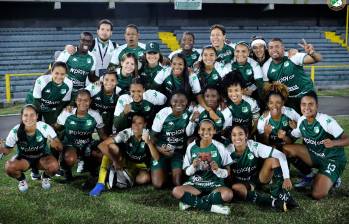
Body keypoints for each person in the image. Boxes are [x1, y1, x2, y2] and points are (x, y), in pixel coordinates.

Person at [283, 91, 349, 200]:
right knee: (286, 149)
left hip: (332, 159)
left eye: (311, 104)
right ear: (300, 106)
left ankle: (333, 177)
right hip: (314, 155)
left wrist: (334, 143)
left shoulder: (326, 121)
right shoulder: (301, 120)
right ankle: (309, 175)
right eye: (303, 104)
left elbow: (347, 138)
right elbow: (293, 137)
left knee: (317, 194)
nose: (307, 107)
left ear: (317, 106)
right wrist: (288, 133)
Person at [228, 124, 297, 211]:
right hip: (242, 184)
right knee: (237, 188)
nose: (237, 137)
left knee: (273, 159)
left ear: (246, 135)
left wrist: (287, 178)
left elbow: (280, 155)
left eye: (240, 134)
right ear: (230, 137)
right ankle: (273, 202)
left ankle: (279, 193)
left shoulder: (254, 146)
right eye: (234, 135)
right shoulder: (227, 151)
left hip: (258, 179)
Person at [172, 119, 233, 215]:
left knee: (228, 194)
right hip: (196, 183)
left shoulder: (220, 147)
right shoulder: (191, 147)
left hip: (214, 184)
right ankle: (213, 207)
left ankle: (192, 201)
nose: (206, 132)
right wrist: (193, 166)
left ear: (214, 131)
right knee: (176, 191)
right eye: (203, 129)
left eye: (209, 129)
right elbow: (187, 172)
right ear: (199, 131)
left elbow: (228, 172)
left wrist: (218, 170)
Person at [89, 114, 160, 196]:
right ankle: (100, 183)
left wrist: (148, 142)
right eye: (134, 123)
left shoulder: (149, 135)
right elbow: (102, 145)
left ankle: (118, 178)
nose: (136, 126)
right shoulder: (126, 133)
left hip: (140, 166)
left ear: (145, 124)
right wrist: (115, 161)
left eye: (140, 123)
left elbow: (156, 158)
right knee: (111, 147)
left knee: (144, 178)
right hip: (125, 162)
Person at [0, 104, 62, 192]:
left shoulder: (44, 127)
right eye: (25, 115)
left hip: (42, 157)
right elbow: (7, 150)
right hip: (24, 159)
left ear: (37, 116)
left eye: (32, 115)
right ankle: (22, 180)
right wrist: (1, 148)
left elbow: (60, 147)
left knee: (54, 166)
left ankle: (45, 177)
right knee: (9, 167)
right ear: (22, 116)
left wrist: (56, 144)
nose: (29, 118)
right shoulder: (15, 131)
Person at [54, 89, 107, 184]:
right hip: (70, 145)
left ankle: (93, 174)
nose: (82, 103)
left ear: (90, 101)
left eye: (86, 100)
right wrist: (55, 141)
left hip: (87, 145)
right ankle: (67, 174)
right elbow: (55, 127)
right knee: (69, 158)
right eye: (79, 100)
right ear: (75, 100)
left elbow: (102, 136)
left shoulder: (95, 115)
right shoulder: (67, 113)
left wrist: (111, 146)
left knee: (100, 153)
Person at [262, 38, 322, 113]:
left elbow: (318, 59)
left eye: (277, 46)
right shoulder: (266, 67)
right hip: (289, 99)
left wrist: (312, 52)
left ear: (283, 48)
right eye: (271, 47)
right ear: (268, 50)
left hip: (306, 92)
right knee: (293, 122)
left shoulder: (293, 56)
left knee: (309, 118)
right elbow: (267, 88)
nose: (274, 49)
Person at [150, 92, 191, 188]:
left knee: (177, 182)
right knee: (158, 184)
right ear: (170, 102)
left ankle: (173, 172)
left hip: (177, 152)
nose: (179, 104)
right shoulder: (163, 114)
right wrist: (160, 148)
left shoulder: (189, 113)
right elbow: (152, 137)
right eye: (175, 101)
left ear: (186, 102)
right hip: (161, 151)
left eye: (182, 101)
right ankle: (163, 171)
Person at [26, 62, 73, 126]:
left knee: (53, 126)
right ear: (51, 72)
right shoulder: (41, 80)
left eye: (62, 74)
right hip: (35, 100)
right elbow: (36, 101)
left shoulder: (69, 83)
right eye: (56, 73)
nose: (59, 77)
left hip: (52, 105)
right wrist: (37, 120)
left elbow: (63, 103)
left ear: (66, 74)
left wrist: (55, 116)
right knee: (34, 124)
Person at [257, 82, 300, 149]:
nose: (274, 106)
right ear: (268, 104)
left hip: (288, 148)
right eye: (271, 103)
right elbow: (264, 146)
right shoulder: (263, 120)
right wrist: (266, 134)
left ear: (283, 103)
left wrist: (296, 129)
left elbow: (294, 139)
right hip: (271, 149)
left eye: (278, 103)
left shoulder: (290, 113)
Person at [56, 32, 98, 98]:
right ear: (80, 40)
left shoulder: (92, 57)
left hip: (80, 93)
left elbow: (91, 76)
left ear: (91, 43)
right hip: (65, 90)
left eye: (89, 41)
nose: (86, 43)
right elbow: (55, 67)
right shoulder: (69, 52)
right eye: (83, 40)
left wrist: (101, 80)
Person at [222, 71, 260, 136]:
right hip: (230, 133)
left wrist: (250, 135)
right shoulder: (225, 103)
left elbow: (256, 122)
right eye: (230, 91)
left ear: (242, 90)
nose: (233, 94)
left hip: (247, 133)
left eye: (236, 90)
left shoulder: (251, 103)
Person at [85, 71, 121, 135]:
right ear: (102, 80)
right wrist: (71, 105)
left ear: (117, 82)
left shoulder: (119, 92)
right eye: (106, 80)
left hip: (108, 122)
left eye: (112, 80)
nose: (109, 83)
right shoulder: (95, 87)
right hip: (92, 118)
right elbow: (82, 94)